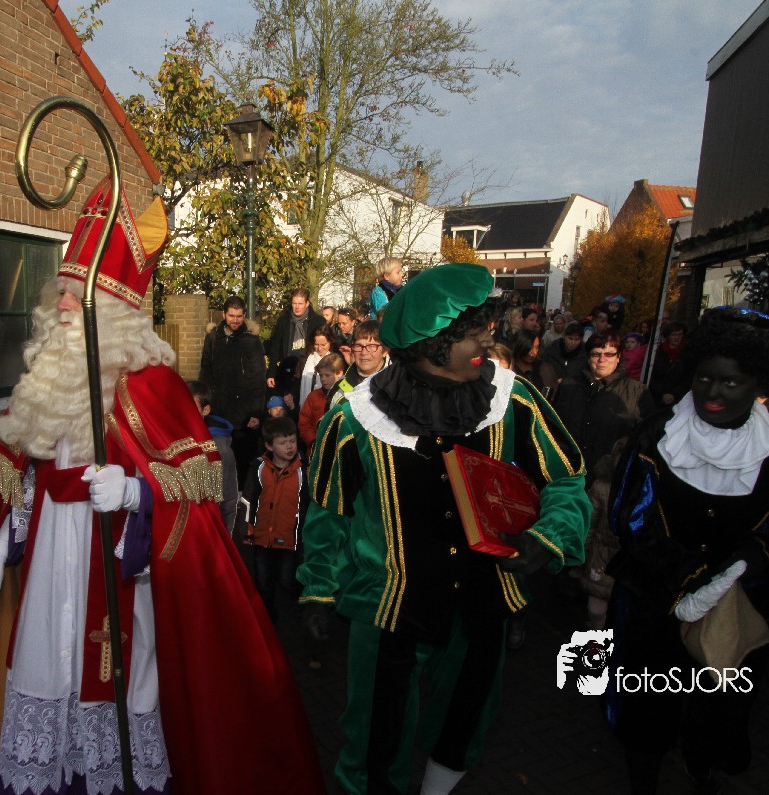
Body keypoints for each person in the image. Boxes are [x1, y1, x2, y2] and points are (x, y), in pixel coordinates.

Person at [0, 183, 325, 795]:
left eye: (75, 294)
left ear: (112, 311)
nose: (61, 304)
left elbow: (198, 489)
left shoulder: (152, 384)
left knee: (118, 687)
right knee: (44, 672)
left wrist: (136, 491)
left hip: (113, 565)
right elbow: (24, 487)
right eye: (60, 293)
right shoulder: (45, 381)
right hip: (48, 569)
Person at [298, 263, 591, 795]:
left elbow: (566, 480)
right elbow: (327, 511)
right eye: (472, 332)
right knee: (376, 732)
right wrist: (318, 588)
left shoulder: (513, 399)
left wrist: (547, 536)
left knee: (466, 717)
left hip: (482, 599)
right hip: (388, 605)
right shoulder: (354, 416)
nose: (486, 341)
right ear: (433, 343)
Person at [604, 307, 769, 795]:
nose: (713, 392)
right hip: (655, 599)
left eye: (731, 382)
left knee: (717, 703)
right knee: (647, 702)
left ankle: (702, 763)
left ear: (759, 384)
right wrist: (686, 574)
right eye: (705, 377)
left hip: (736, 604)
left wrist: (751, 559)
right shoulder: (658, 434)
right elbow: (629, 516)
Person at [550, 331, 656, 630]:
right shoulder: (569, 386)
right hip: (572, 479)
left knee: (599, 545)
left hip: (610, 485)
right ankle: (565, 593)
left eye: (609, 354)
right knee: (569, 537)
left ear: (619, 357)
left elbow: (647, 440)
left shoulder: (636, 391)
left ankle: (594, 611)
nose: (602, 360)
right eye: (597, 353)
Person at [241, 416, 308, 621]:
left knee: (287, 580)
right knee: (263, 581)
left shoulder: (304, 470)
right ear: (269, 446)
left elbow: (307, 504)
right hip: (263, 537)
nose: (289, 446)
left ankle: (296, 610)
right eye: (283, 442)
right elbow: (249, 499)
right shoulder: (259, 468)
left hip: (290, 539)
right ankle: (267, 617)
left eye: (292, 441)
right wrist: (248, 530)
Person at [199, 295, 268, 485]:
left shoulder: (252, 341)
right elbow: (205, 371)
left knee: (242, 459)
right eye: (231, 316)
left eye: (239, 316)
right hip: (218, 408)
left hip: (243, 412)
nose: (235, 320)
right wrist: (203, 402)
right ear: (224, 314)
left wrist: (256, 412)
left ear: (244, 315)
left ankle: (241, 495)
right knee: (217, 458)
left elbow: (258, 378)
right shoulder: (213, 338)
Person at [187, 379, 239, 533]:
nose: (184, 411)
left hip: (207, 530)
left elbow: (228, 500)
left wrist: (225, 538)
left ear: (206, 410)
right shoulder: (169, 440)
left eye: (191, 406)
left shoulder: (220, 450)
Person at [267, 288, 326, 401]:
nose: (297, 307)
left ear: (307, 303)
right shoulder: (283, 321)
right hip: (288, 371)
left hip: (309, 370)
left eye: (300, 304)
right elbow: (275, 347)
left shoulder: (318, 321)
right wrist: (271, 373)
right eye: (294, 303)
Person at [328, 319, 388, 407]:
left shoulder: (397, 387)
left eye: (371, 346)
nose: (364, 352)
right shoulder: (339, 388)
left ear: (385, 351)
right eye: (358, 346)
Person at [299, 353, 345, 450]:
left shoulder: (348, 396)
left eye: (327, 375)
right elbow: (304, 423)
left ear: (339, 373)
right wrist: (313, 442)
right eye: (321, 375)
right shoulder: (313, 396)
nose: (323, 379)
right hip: (316, 448)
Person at [539, 322, 589, 393]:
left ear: (581, 340)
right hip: (551, 389)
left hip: (573, 391)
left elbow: (585, 375)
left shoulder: (585, 354)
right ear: (564, 337)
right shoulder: (552, 349)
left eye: (576, 339)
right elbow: (543, 365)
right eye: (570, 338)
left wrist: (569, 381)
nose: (573, 342)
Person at [647, 321, 689, 406]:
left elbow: (688, 378)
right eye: (674, 334)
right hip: (656, 397)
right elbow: (651, 375)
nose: (677, 337)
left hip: (678, 398)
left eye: (680, 334)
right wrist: (661, 394)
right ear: (668, 336)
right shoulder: (657, 351)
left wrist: (674, 394)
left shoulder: (688, 353)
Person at [298, 327, 336, 410]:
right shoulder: (305, 359)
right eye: (316, 344)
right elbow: (297, 380)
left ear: (330, 342)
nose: (319, 348)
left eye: (323, 345)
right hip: (307, 407)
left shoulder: (336, 361)